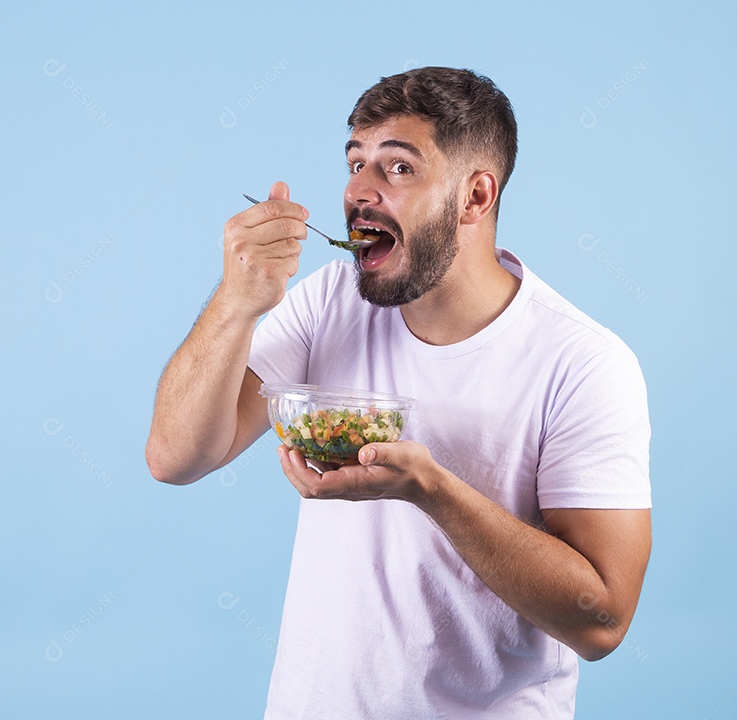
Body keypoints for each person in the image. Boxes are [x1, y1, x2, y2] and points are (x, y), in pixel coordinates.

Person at [146, 66, 652, 719]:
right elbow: (174, 457)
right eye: (355, 162)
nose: (359, 189)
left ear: (475, 196)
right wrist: (237, 303)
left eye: (398, 168)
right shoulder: (330, 302)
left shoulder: (583, 363)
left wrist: (429, 489)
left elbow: (602, 620)